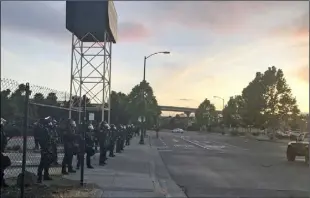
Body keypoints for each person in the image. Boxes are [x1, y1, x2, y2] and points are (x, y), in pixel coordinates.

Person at [36, 117, 54, 183]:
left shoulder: (46, 129)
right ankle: (39, 177)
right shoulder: (43, 130)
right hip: (45, 148)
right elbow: (42, 140)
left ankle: (46, 175)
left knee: (48, 161)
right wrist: (44, 148)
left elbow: (49, 138)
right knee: (42, 162)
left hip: (48, 147)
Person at [1, 118, 11, 188]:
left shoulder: (2, 131)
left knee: (3, 164)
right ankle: (2, 182)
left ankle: (2, 181)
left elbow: (4, 141)